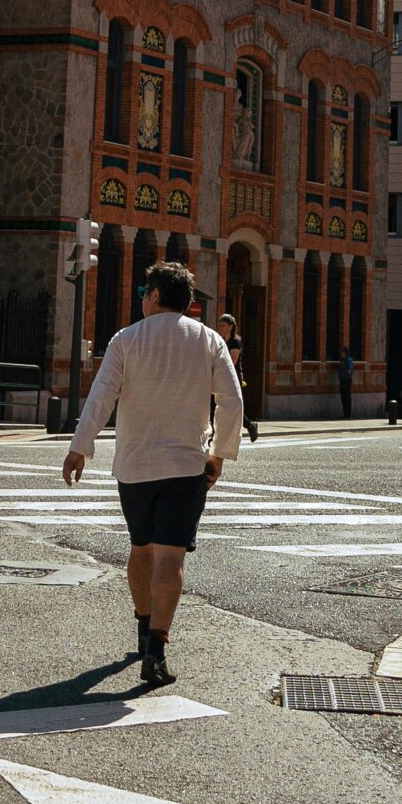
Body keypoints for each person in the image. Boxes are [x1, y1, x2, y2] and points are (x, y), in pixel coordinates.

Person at [64, 260, 243, 688]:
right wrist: (219, 453)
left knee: (141, 549)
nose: (142, 297)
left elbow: (101, 396)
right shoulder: (209, 340)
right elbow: (232, 401)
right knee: (171, 557)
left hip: (134, 466)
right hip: (185, 468)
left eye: (146, 290)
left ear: (156, 296)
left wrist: (79, 447)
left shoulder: (126, 340)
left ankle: (143, 630)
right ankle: (157, 651)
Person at [217, 311, 257, 441]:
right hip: (223, 376)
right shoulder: (223, 340)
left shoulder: (235, 341)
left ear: (231, 326)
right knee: (220, 404)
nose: (220, 328)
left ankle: (250, 425)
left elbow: (233, 360)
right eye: (220, 325)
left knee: (234, 405)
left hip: (234, 377)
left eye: (223, 325)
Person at [337, 347, 356, 418]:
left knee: (347, 397)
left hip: (347, 381)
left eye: (342, 352)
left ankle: (348, 414)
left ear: (345, 353)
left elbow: (349, 371)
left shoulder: (348, 360)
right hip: (342, 380)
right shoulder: (343, 360)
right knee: (343, 398)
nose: (341, 354)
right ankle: (345, 413)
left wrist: (343, 365)